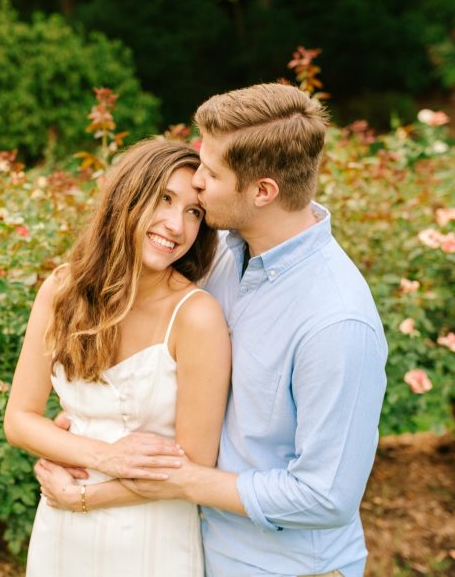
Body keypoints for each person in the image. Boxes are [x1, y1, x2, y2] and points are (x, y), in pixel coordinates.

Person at [38, 83, 388, 577]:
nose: (197, 182)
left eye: (211, 172)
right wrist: (92, 429)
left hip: (285, 568)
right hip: (192, 550)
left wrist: (168, 480)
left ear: (263, 191)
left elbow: (324, 496)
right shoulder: (221, 252)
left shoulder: (336, 321)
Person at [4, 137, 232, 576]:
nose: (177, 226)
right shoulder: (62, 290)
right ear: (126, 197)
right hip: (61, 529)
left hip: (151, 536)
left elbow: (195, 465)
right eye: (164, 199)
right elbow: (19, 419)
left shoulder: (196, 316)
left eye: (194, 212)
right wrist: (100, 457)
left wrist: (85, 496)